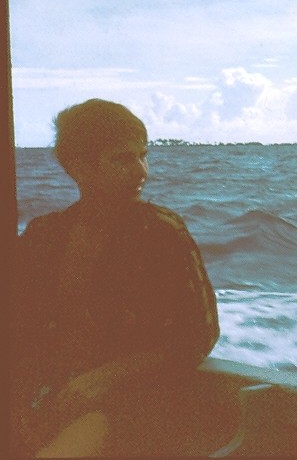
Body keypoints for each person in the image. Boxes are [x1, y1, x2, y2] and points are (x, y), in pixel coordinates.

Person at [10, 99, 220, 457]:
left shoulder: (161, 232)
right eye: (122, 159)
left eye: (143, 156)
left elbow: (199, 334)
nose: (141, 172)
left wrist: (104, 378)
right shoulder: (44, 235)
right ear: (80, 168)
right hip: (53, 395)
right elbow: (21, 331)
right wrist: (20, 406)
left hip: (132, 402)